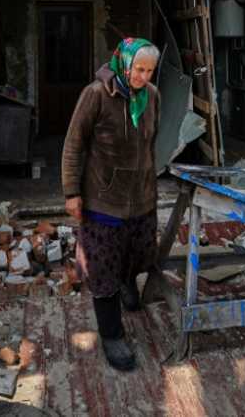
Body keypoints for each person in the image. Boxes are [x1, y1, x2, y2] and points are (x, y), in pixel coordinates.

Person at [61, 37, 161, 371]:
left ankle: (127, 279)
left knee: (139, 252)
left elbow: (152, 141)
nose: (142, 77)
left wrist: (149, 178)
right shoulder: (96, 95)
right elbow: (74, 144)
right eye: (138, 69)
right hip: (103, 198)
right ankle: (112, 336)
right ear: (124, 63)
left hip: (141, 196)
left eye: (149, 71)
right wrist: (71, 192)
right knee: (102, 266)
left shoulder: (153, 97)